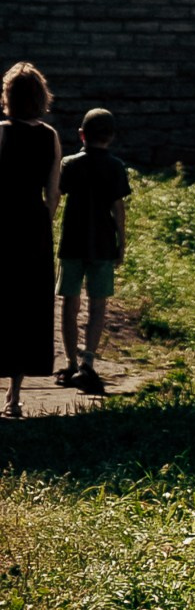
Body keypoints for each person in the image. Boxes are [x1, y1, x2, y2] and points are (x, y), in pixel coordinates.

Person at [0, 68, 60, 419]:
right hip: (34, 225)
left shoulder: (1, 132)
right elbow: (52, 194)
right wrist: (41, 224)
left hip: (2, 222)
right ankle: (15, 395)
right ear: (41, 97)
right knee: (28, 306)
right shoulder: (50, 135)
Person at [55, 110, 127, 395]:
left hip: (72, 242)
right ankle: (88, 363)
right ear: (111, 137)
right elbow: (118, 210)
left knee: (68, 305)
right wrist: (122, 243)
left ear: (81, 134)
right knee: (97, 305)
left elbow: (58, 196)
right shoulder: (115, 166)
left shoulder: (69, 164)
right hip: (103, 244)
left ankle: (70, 362)